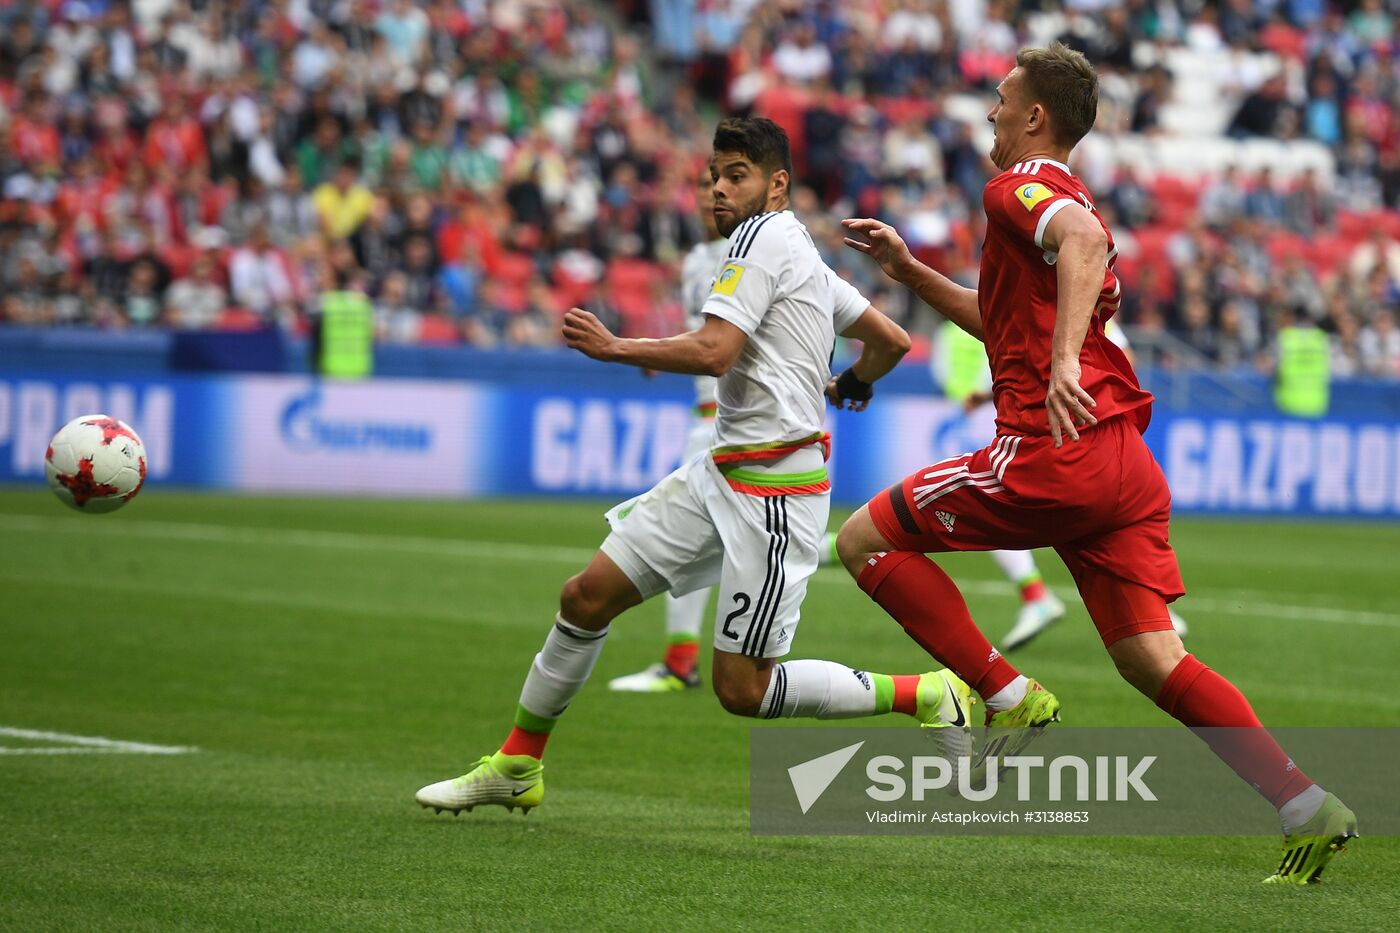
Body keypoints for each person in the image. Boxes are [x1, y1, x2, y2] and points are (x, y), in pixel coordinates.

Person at [835, 44, 1355, 885]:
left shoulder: (1017, 188)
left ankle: (1007, 695)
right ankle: (1304, 802)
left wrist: (1065, 361)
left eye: (1003, 98)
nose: (992, 111)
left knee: (863, 540)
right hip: (1121, 463)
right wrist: (907, 270)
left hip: (1052, 453)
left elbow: (1078, 244)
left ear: (1035, 115)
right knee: (1153, 659)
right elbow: (1006, 318)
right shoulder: (1066, 197)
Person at [416, 117, 972, 817]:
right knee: (585, 597)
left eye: (736, 175)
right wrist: (855, 382)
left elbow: (715, 352)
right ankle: (517, 764)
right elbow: (889, 339)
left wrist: (617, 348)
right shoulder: (797, 247)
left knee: (742, 688)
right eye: (713, 176)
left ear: (777, 185)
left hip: (774, 495)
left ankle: (927, 693)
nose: (718, 189)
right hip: (720, 474)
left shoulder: (760, 242)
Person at [607, 170, 729, 693]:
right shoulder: (696, 260)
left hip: (732, 422)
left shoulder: (749, 252)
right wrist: (662, 351)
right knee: (713, 543)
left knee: (678, 539)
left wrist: (644, 349)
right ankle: (680, 661)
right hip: (706, 416)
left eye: (719, 183)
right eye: (702, 186)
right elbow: (705, 333)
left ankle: (857, 542)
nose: (709, 195)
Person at [930, 317, 1068, 650]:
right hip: (1004, 410)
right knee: (989, 506)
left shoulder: (960, 326)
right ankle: (1035, 595)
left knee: (993, 506)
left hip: (1019, 416)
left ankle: (1037, 597)